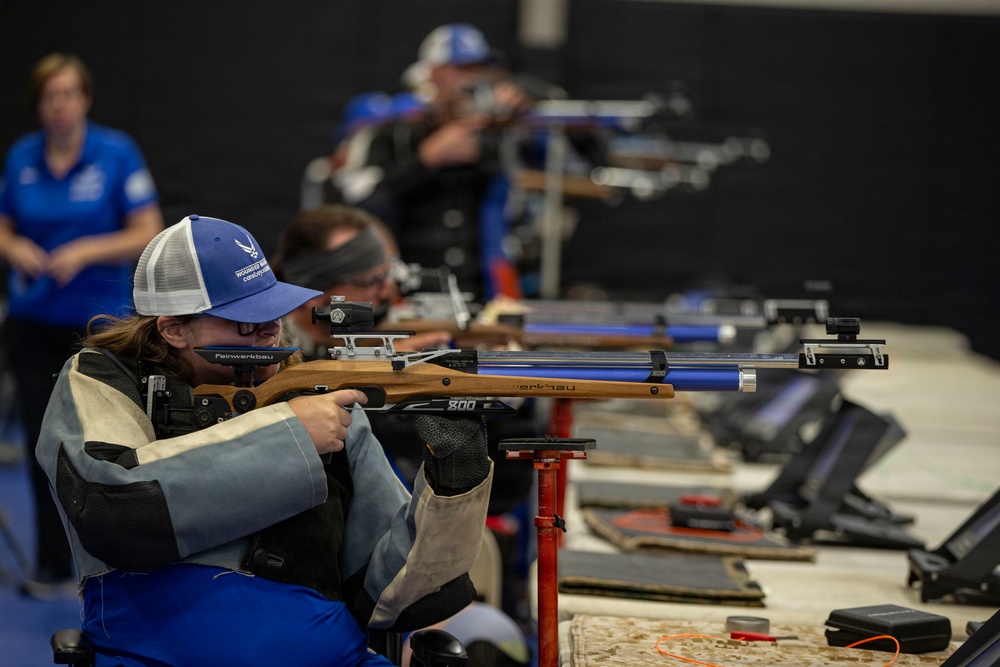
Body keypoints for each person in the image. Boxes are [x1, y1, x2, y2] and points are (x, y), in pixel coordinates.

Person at [34, 214, 493, 666]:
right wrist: (290, 434)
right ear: (173, 329)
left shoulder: (313, 395)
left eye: (272, 310)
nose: (270, 329)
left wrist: (455, 474)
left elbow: (394, 594)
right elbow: (115, 510)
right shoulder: (103, 378)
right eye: (245, 320)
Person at [273, 205, 539, 627]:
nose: (388, 291)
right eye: (370, 280)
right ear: (318, 294)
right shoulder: (279, 364)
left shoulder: (378, 334)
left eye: (388, 274)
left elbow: (508, 481)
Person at [0, 52, 164, 596]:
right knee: (41, 443)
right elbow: (3, 226)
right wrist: (16, 247)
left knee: (104, 441)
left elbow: (147, 230)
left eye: (68, 94)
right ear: (38, 104)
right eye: (50, 96)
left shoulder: (116, 153)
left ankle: (117, 562)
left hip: (99, 326)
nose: (59, 105)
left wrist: (84, 251)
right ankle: (51, 564)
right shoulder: (22, 156)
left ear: (85, 99)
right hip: (32, 322)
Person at [353, 23, 533, 301]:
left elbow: (568, 156)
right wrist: (425, 160)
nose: (471, 80)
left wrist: (526, 104)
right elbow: (360, 207)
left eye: (478, 69)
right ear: (431, 74)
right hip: (407, 294)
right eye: (461, 69)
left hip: (482, 293)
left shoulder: (498, 133)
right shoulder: (392, 134)